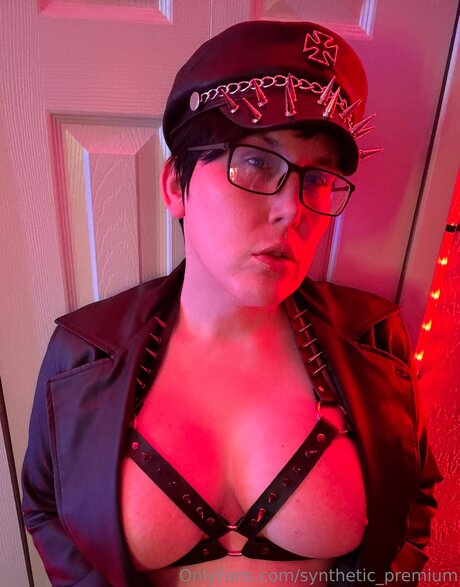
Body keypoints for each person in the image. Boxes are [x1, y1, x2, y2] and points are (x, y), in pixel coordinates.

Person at [21, 20, 442, 587]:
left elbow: (412, 500)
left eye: (317, 178)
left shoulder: (374, 339)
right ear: (177, 186)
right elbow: (45, 506)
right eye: (256, 163)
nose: (293, 209)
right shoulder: (84, 353)